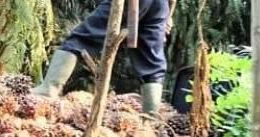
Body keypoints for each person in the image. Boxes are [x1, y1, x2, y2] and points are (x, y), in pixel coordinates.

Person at [32, 0, 173, 117]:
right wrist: (167, 13)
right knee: (151, 59)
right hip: (160, 4)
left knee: (80, 40)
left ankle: (49, 88)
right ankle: (151, 116)